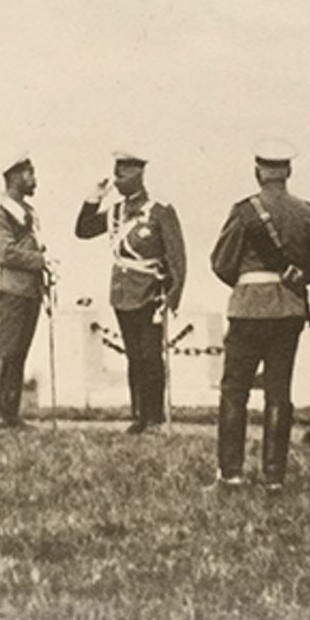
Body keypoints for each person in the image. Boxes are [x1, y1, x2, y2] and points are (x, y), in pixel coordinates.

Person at [209, 139, 310, 489]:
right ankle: (274, 475)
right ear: (288, 171)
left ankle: (231, 473)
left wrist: (247, 282)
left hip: (248, 307)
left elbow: (221, 262)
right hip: (288, 309)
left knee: (234, 390)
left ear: (258, 172)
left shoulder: (244, 211)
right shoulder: (309, 212)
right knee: (279, 390)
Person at [75, 151, 188, 434]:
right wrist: (93, 199)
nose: (118, 180)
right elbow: (83, 230)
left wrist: (172, 298)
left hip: (151, 292)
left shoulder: (159, 211)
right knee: (134, 356)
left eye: (123, 174)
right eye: (117, 174)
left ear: (139, 174)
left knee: (151, 355)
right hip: (122, 293)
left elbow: (177, 258)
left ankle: (154, 417)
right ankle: (139, 415)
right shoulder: (115, 212)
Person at [0, 155, 50, 429]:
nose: (33, 178)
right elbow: (6, 252)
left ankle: (10, 412)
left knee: (20, 351)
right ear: (14, 177)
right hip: (11, 290)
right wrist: (40, 261)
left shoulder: (28, 211)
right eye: (29, 173)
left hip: (30, 290)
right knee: (7, 349)